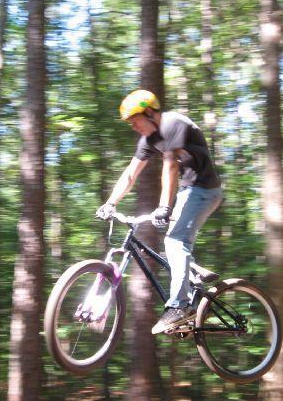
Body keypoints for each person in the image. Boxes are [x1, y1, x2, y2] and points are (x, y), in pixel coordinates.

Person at [96, 89, 223, 335]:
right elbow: (131, 173)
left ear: (150, 112)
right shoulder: (148, 140)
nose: (133, 126)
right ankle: (194, 273)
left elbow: (170, 166)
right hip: (188, 192)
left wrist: (165, 207)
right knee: (175, 244)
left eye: (135, 120)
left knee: (175, 240)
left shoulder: (173, 123)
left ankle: (180, 306)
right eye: (130, 123)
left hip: (205, 190)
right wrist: (111, 202)